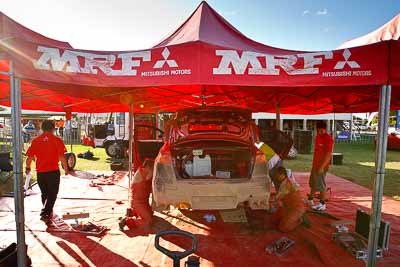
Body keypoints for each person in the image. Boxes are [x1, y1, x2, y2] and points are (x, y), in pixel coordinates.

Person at [25, 120, 69, 224]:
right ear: (53, 128)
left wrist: (27, 167)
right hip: (53, 171)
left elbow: (29, 157)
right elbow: (62, 156)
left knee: (45, 193)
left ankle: (47, 212)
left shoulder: (36, 140)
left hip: (40, 172)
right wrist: (66, 169)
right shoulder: (57, 140)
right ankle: (45, 212)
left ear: (42, 128)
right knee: (53, 193)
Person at [307, 121, 333, 211]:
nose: (320, 133)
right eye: (318, 131)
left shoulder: (328, 139)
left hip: (322, 166)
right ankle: (310, 199)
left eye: (322, 131)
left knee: (321, 185)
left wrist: (322, 167)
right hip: (315, 165)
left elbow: (328, 155)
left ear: (325, 129)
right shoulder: (318, 137)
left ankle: (322, 204)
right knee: (313, 183)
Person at [272, 166, 307, 232]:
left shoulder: (286, 184)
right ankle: (294, 216)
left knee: (283, 228)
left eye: (278, 175)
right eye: (276, 175)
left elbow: (277, 198)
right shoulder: (285, 182)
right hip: (289, 206)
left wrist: (271, 200)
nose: (276, 177)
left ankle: (299, 220)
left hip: (296, 208)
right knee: (275, 219)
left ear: (283, 175)